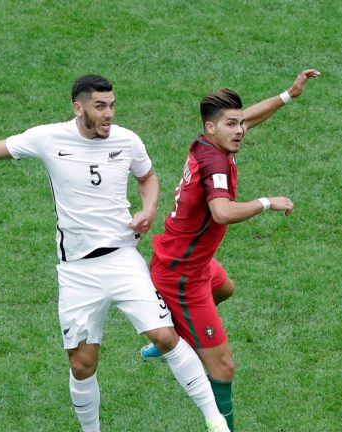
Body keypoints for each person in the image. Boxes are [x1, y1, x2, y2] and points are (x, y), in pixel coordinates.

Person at [0, 75, 231, 432]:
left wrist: (148, 208)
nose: (109, 114)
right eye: (100, 106)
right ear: (78, 107)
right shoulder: (48, 138)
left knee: (164, 336)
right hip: (77, 270)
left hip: (122, 258)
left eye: (112, 105)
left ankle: (214, 420)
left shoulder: (127, 141)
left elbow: (147, 177)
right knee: (82, 364)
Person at [138, 70, 321, 431]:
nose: (240, 130)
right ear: (211, 128)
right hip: (181, 275)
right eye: (231, 124)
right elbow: (221, 211)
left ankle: (168, 336)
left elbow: (250, 116)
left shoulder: (211, 141)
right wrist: (266, 202)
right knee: (223, 367)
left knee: (224, 287)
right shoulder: (215, 163)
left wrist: (289, 94)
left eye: (240, 123)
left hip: (194, 262)